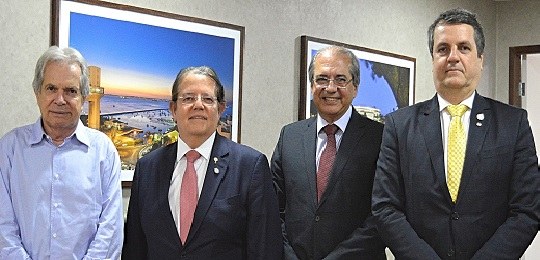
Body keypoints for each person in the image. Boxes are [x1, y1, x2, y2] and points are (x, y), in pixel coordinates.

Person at [372, 8, 540, 259]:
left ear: (480, 59)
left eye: (463, 47)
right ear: (432, 59)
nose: (453, 57)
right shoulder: (399, 125)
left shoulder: (512, 124)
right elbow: (385, 207)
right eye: (442, 49)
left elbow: (527, 210)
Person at [122, 66, 282, 259]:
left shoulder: (250, 167)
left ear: (220, 109)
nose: (198, 105)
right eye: (188, 98)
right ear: (173, 109)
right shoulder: (147, 168)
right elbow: (135, 248)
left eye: (207, 99)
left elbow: (265, 250)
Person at [0, 46, 123, 259]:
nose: (60, 99)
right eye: (51, 88)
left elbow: (109, 232)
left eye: (70, 91)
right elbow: (3, 228)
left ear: (84, 97)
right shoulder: (10, 148)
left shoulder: (104, 152)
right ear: (37, 92)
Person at [271, 46, 386, 259]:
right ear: (312, 85)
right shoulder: (290, 136)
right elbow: (272, 207)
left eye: (341, 79)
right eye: (322, 79)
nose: (330, 88)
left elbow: (383, 212)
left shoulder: (380, 138)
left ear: (355, 87)